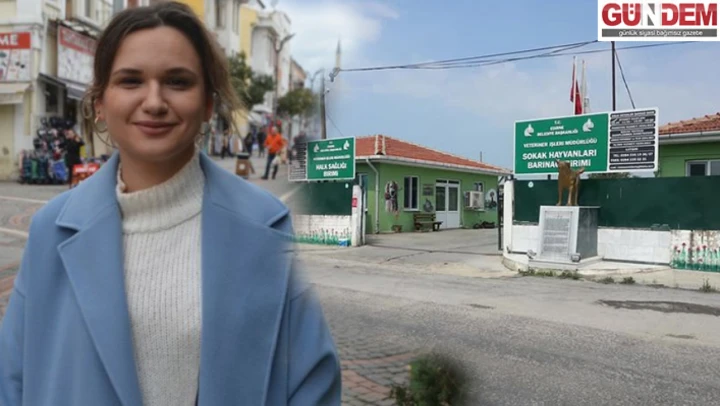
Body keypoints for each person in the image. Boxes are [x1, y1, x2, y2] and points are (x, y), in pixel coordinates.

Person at [0, 3, 341, 406]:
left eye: (177, 82)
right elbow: (13, 378)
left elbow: (311, 382)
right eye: (131, 81)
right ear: (100, 103)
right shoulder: (51, 230)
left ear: (208, 103)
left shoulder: (266, 226)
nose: (154, 101)